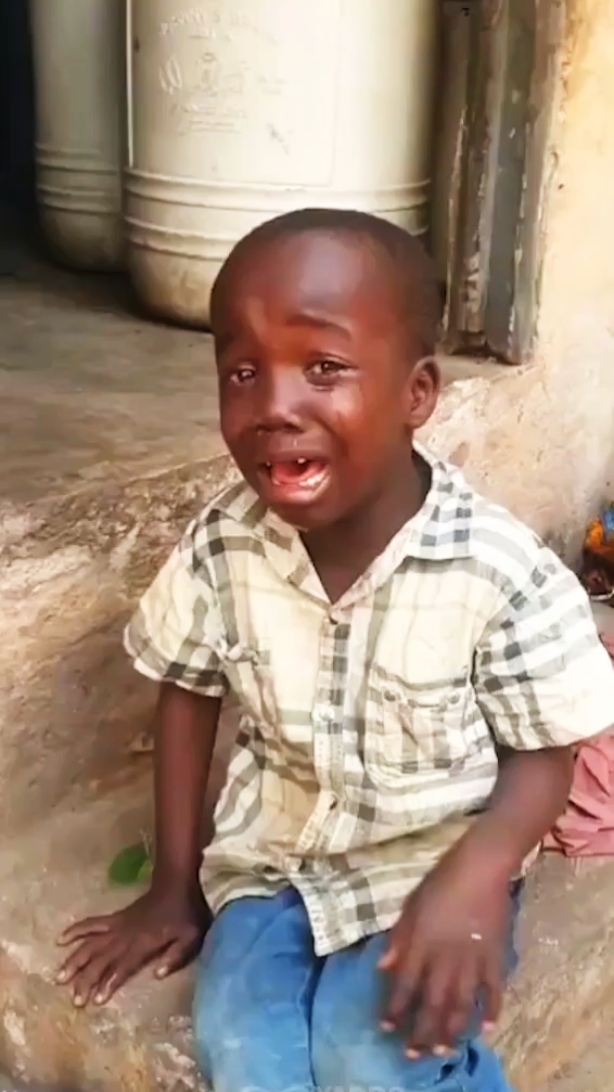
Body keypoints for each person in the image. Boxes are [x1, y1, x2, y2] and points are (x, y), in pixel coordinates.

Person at [56, 209, 614, 1092]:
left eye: (323, 367)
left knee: (374, 1056)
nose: (275, 407)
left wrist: (478, 879)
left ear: (417, 394)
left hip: (430, 867)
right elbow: (187, 687)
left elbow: (547, 749)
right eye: (243, 372)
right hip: (272, 863)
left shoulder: (495, 568)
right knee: (243, 1048)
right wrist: (173, 885)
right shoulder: (225, 545)